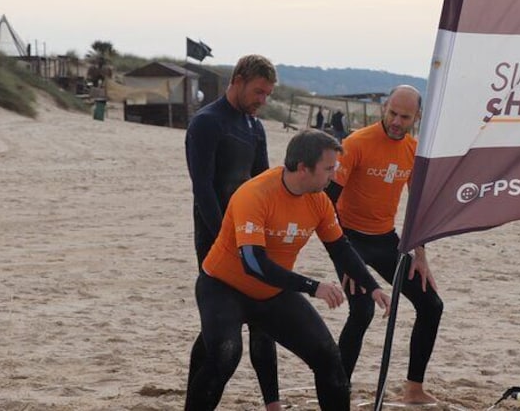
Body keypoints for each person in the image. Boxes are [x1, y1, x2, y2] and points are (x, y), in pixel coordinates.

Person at [185, 130, 391, 411]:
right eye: (329, 169)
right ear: (303, 168)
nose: (334, 176)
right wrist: (312, 286)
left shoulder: (319, 199)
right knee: (225, 354)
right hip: (223, 288)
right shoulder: (254, 194)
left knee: (328, 358)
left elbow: (340, 248)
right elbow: (254, 263)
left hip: (272, 292)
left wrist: (372, 284)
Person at [326, 85, 443, 404]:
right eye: (392, 113)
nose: (396, 121)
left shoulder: (413, 150)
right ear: (383, 109)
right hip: (347, 239)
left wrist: (420, 253)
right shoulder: (356, 144)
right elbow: (326, 206)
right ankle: (339, 387)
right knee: (362, 310)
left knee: (431, 305)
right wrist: (348, 260)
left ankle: (414, 389)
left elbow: (418, 205)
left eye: (404, 116)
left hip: (385, 239)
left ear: (416, 117)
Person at [184, 54, 281, 410]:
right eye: (258, 91)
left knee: (259, 316)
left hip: (249, 237)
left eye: (268, 94)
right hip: (215, 238)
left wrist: (265, 235)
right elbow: (203, 188)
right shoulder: (207, 123)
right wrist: (229, 239)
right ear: (238, 80)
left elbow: (264, 184)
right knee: (221, 323)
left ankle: (272, 403)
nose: (262, 100)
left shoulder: (255, 127)